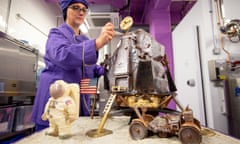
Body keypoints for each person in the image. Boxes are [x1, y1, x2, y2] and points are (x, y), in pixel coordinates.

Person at [31, 0, 115, 132]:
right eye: (76, 8)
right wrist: (97, 43)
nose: (81, 12)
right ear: (66, 11)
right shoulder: (56, 34)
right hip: (56, 102)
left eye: (84, 9)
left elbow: (89, 68)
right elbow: (63, 56)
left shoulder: (85, 40)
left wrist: (105, 70)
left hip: (77, 104)